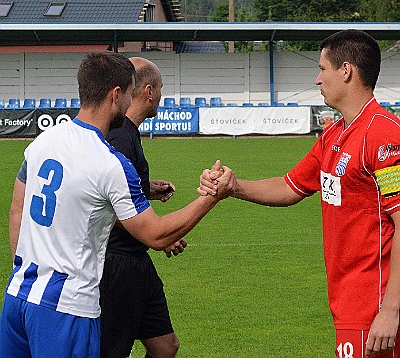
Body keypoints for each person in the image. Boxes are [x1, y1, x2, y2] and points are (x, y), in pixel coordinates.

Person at [1, 50, 233, 358]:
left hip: (18, 296)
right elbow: (156, 234)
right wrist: (211, 197)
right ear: (116, 95)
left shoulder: (43, 142)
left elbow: (17, 209)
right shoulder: (109, 162)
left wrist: (22, 267)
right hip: (65, 307)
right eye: (129, 92)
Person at [199, 29, 400, 358]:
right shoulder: (333, 134)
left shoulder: (383, 134)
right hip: (347, 298)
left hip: (373, 302)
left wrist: (391, 309)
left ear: (346, 71)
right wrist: (233, 186)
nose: (318, 79)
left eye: (322, 69)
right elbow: (291, 185)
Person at [100, 57, 182, 358]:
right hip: (115, 261)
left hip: (135, 260)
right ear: (148, 91)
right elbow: (112, 204)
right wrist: (157, 235)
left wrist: (146, 189)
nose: (161, 95)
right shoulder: (121, 136)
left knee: (165, 346)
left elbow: (117, 188)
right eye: (160, 88)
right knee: (112, 350)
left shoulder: (127, 133)